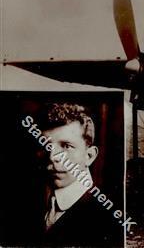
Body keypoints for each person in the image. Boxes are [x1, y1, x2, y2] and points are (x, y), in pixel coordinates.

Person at [37, 103, 121, 247]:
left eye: (66, 146)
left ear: (89, 156)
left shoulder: (107, 217)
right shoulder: (34, 201)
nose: (52, 156)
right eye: (46, 145)